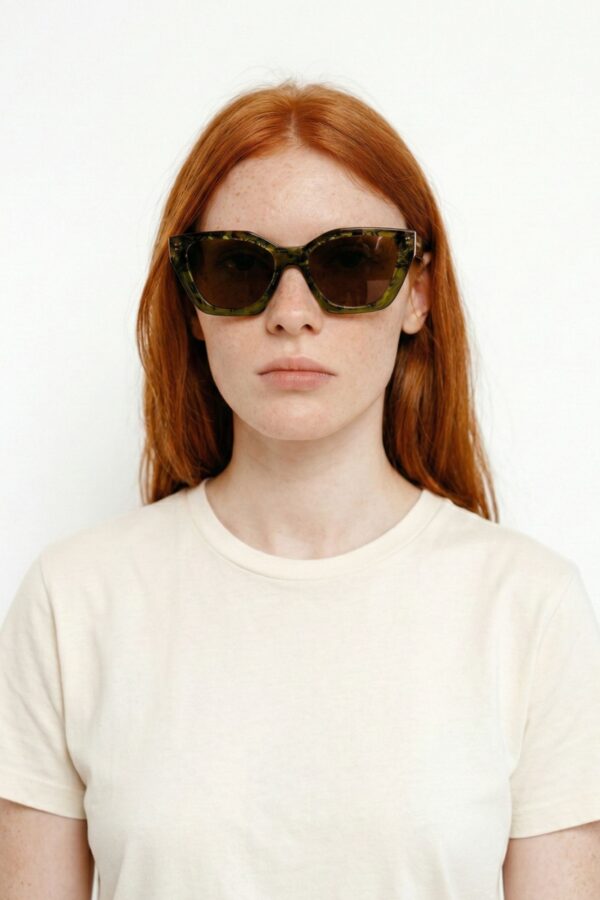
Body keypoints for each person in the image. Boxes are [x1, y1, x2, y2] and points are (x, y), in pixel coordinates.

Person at [1, 78, 600, 900]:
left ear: (417, 293)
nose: (292, 313)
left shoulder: (529, 605)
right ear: (191, 301)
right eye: (239, 266)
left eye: (349, 263)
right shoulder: (73, 602)